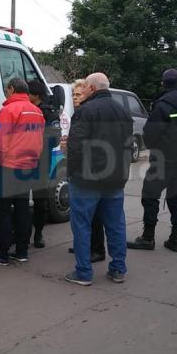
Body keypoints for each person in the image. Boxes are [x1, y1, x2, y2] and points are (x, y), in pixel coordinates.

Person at [64, 72, 133, 286]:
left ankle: (84, 272)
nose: (83, 90)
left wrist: (71, 173)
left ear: (92, 88)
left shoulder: (85, 111)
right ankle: (118, 269)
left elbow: (75, 147)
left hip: (86, 180)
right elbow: (128, 147)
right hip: (115, 179)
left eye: (85, 87)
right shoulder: (123, 112)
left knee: (82, 226)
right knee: (115, 225)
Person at [128, 68, 177, 253]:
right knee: (176, 197)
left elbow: (149, 134)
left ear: (163, 83)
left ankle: (148, 238)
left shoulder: (162, 105)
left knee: (150, 195)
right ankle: (175, 240)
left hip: (163, 159)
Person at [0, 77, 44, 266]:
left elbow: (0, 141)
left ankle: (2, 253)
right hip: (28, 167)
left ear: (11, 89)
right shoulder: (37, 111)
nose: (6, 93)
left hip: (8, 167)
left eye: (7, 89)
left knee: (4, 211)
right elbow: (39, 140)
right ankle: (22, 251)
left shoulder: (9, 110)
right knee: (23, 209)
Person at [64, 78, 106, 263]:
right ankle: (83, 245)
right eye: (73, 95)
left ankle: (96, 249)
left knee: (93, 215)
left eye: (79, 94)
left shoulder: (87, 113)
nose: (75, 97)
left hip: (89, 172)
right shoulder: (77, 113)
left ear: (88, 94)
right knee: (82, 215)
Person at [27, 79, 62, 248]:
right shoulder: (25, 110)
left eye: (28, 93)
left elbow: (55, 138)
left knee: (40, 200)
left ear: (36, 95)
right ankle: (21, 234)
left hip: (41, 161)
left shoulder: (48, 112)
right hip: (24, 160)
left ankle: (39, 233)